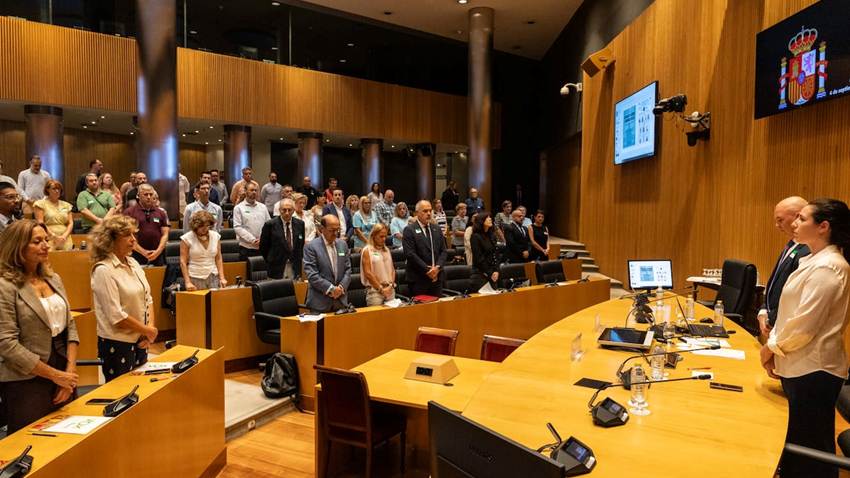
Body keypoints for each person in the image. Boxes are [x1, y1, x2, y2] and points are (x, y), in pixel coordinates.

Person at [760, 198, 850, 478]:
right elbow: (789, 312)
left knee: (811, 447)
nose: (794, 225)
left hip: (814, 368)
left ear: (823, 227)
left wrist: (770, 348)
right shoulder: (811, 259)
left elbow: (804, 326)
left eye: (801, 219)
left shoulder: (829, 266)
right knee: (797, 441)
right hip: (798, 364)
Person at [0, 220, 79, 433]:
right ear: (18, 246)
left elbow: (70, 326)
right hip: (26, 378)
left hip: (63, 367)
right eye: (37, 241)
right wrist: (55, 375)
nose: (45, 245)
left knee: (66, 434)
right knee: (31, 444)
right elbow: (7, 344)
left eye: (46, 239)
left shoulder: (54, 278)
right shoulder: (5, 286)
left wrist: (68, 372)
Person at [90, 215, 157, 382]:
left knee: (140, 391)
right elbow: (116, 316)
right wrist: (147, 331)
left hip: (141, 339)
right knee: (121, 398)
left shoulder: (133, 262)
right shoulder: (103, 270)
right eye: (127, 235)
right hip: (117, 343)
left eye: (134, 234)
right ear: (111, 239)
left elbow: (148, 299)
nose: (133, 240)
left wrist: (148, 330)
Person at [758, 196, 811, 337]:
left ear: (798, 216)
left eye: (780, 220)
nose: (777, 225)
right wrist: (764, 310)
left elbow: (794, 296)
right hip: (775, 324)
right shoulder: (792, 244)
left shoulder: (807, 250)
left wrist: (773, 318)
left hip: (786, 329)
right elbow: (776, 282)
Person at [303, 214, 352, 313]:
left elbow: (348, 270)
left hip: (340, 301)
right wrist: (331, 289)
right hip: (319, 303)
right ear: (322, 229)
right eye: (331, 230)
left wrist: (341, 287)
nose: (335, 233)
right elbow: (312, 275)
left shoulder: (342, 244)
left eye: (337, 230)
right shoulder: (311, 247)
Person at [403, 200, 447, 297]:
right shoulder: (409, 230)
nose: (428, 214)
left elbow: (443, 251)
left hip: (436, 278)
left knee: (437, 310)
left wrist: (437, 268)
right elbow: (410, 254)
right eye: (425, 211)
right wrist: (427, 270)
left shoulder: (436, 228)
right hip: (419, 278)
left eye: (430, 211)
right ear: (416, 213)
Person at [179, 210, 227, 291]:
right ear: (195, 226)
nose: (205, 229)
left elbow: (218, 258)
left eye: (207, 226)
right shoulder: (186, 238)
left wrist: (222, 277)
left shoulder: (216, 236)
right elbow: (183, 262)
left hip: (213, 276)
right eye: (201, 226)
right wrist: (187, 282)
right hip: (195, 277)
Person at [123, 184, 169, 266]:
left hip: (157, 255)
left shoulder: (160, 212)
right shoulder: (129, 212)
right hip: (136, 255)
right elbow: (127, 236)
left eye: (151, 194)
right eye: (145, 194)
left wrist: (158, 251)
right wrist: (144, 252)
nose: (148, 197)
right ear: (138, 196)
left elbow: (165, 234)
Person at [260, 198, 305, 280]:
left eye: (289, 210)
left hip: (294, 266)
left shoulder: (300, 224)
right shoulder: (270, 224)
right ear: (279, 210)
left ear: (294, 210)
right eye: (284, 210)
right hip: (276, 267)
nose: (287, 213)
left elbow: (300, 245)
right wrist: (271, 259)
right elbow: (263, 247)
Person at [33, 180, 74, 251]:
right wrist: (54, 236)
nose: (57, 191)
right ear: (47, 190)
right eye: (54, 189)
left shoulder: (66, 205)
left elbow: (70, 223)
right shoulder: (40, 204)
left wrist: (64, 236)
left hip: (65, 238)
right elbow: (40, 222)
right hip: (48, 237)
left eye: (59, 189)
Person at [360, 223, 395, 306]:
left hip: (390, 290)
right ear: (373, 236)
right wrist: (381, 289)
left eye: (385, 236)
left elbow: (393, 270)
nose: (384, 239)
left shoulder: (387, 250)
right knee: (376, 318)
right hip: (375, 292)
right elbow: (368, 273)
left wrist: (390, 286)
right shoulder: (367, 250)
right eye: (381, 236)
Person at [233, 182, 270, 260]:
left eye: (256, 190)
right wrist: (252, 240)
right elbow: (237, 227)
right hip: (246, 248)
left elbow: (269, 225)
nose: (254, 192)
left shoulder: (263, 207)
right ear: (246, 191)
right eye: (251, 190)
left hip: (262, 246)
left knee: (264, 271)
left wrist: (263, 239)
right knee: (247, 271)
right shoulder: (238, 208)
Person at [470, 212, 500, 290]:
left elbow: (496, 254)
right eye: (487, 218)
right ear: (481, 221)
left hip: (493, 273)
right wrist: (490, 273)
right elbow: (479, 258)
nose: (490, 219)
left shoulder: (492, 235)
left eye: (490, 217)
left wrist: (496, 270)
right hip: (480, 274)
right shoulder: (475, 237)